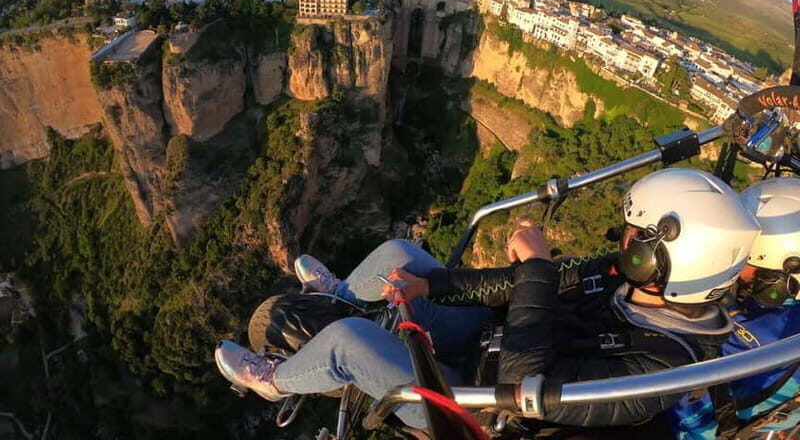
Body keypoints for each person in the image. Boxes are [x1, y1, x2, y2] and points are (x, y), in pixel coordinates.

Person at [215, 168, 759, 430]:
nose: (623, 242)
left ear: (665, 263)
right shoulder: (624, 280)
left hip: (475, 412)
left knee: (346, 343)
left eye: (635, 239)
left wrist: (539, 271)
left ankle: (274, 383)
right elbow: (516, 288)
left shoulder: (660, 369)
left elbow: (520, 389)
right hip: (485, 340)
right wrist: (433, 286)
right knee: (399, 253)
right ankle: (345, 296)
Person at [665, 177, 800, 439]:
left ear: (778, 276)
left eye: (742, 257)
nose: (729, 261)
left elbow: (677, 406)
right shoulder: (777, 309)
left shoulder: (767, 337)